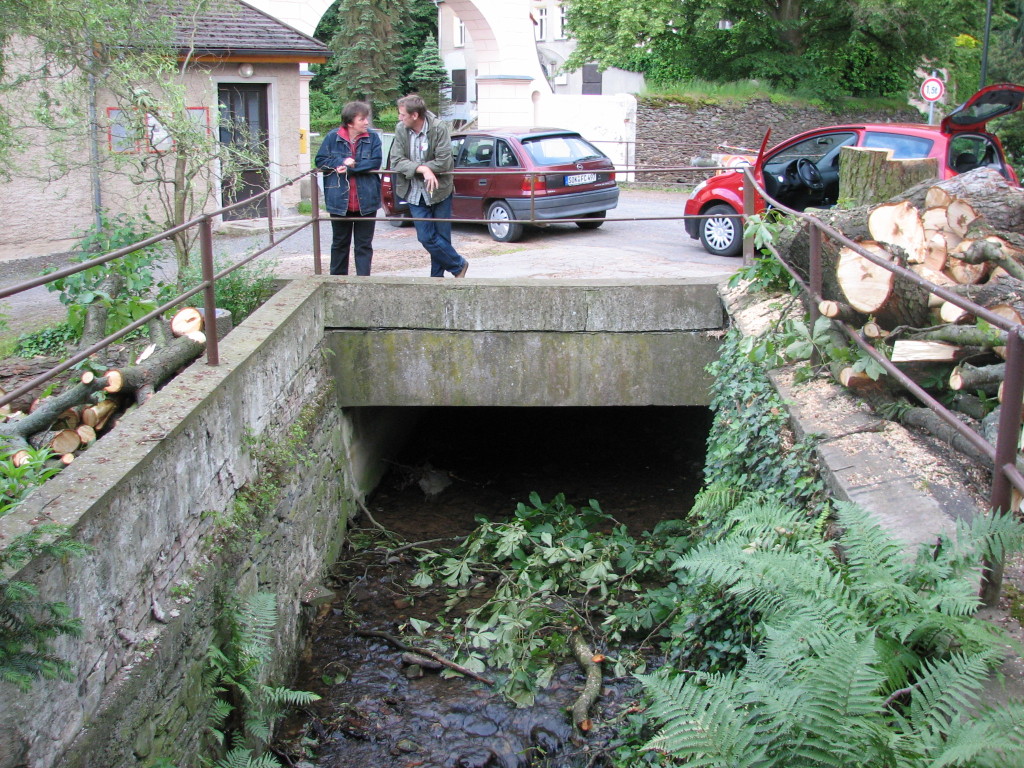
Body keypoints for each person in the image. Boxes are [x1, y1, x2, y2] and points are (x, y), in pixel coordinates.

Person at [390, 94, 469, 278]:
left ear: (415, 115)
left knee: (442, 237)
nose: (400, 118)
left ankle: (437, 281)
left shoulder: (438, 128)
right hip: (414, 192)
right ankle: (459, 265)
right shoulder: (401, 129)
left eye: (402, 115)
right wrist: (422, 169)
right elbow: (396, 160)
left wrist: (426, 168)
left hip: (440, 190)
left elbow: (444, 161)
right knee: (426, 237)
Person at [315, 101, 382, 276]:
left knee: (364, 245)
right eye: (362, 119)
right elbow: (320, 161)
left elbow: (375, 161)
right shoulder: (332, 137)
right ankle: (337, 281)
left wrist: (352, 168)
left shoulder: (372, 137)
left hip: (366, 201)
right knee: (339, 243)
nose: (366, 122)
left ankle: (363, 281)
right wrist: (339, 163)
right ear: (350, 122)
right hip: (339, 201)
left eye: (366, 118)